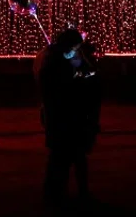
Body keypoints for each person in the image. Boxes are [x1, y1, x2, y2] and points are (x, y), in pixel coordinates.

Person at [34, 28, 101, 204]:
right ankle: (56, 194)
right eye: (75, 45)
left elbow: (88, 74)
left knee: (69, 156)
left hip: (68, 114)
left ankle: (64, 192)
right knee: (61, 156)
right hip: (63, 114)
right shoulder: (54, 60)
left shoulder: (62, 57)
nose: (76, 49)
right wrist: (79, 80)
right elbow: (59, 85)